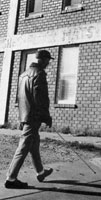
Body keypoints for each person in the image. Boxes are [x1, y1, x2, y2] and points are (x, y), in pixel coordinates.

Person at [5, 50, 54, 189]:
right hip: (34, 116)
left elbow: (21, 97)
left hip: (26, 115)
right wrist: (46, 116)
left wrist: (22, 117)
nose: (48, 63)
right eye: (48, 60)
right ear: (43, 60)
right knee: (24, 146)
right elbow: (41, 98)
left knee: (34, 144)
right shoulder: (39, 74)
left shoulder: (23, 74)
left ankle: (40, 172)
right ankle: (11, 178)